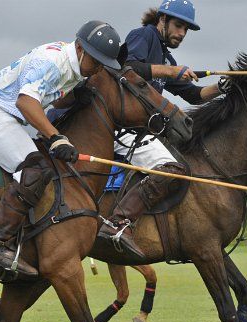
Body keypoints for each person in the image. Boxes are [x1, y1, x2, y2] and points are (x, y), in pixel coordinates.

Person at [0, 21, 123, 277]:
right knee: (35, 169)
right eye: (96, 61)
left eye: (104, 64)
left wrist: (73, 98)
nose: (98, 68)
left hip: (4, 115)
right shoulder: (52, 61)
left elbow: (52, 95)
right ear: (80, 48)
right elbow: (26, 102)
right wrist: (56, 137)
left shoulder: (75, 69)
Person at [97, 0, 232, 259]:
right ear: (162, 19)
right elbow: (129, 69)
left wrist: (222, 87)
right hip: (120, 126)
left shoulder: (165, 55)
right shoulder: (143, 36)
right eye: (178, 25)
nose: (181, 33)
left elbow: (194, 95)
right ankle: (118, 223)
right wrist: (171, 71)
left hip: (144, 130)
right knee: (173, 170)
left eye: (186, 29)